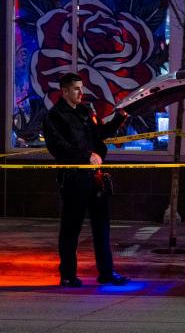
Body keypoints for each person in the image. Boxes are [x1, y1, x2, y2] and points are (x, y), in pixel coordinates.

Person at [43, 72, 131, 288]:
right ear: (64, 91)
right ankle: (68, 275)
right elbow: (58, 147)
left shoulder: (84, 111)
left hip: (95, 178)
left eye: (81, 88)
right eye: (76, 89)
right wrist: (86, 156)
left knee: (102, 227)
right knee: (71, 228)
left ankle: (107, 273)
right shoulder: (55, 116)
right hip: (73, 179)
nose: (81, 92)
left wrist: (119, 119)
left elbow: (98, 133)